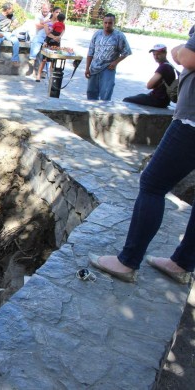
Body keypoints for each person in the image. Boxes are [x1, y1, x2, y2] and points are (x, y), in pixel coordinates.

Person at [89, 36, 195, 285]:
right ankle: (181, 263)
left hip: (191, 123)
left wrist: (179, 50)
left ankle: (127, 261)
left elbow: (187, 56)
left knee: (152, 184)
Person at [85, 13, 131, 101]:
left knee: (106, 94)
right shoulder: (97, 34)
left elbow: (126, 52)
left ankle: (104, 113)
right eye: (105, 23)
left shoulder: (119, 36)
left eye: (110, 23)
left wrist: (115, 62)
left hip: (108, 68)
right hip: (94, 68)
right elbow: (90, 52)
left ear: (114, 23)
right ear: (103, 22)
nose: (107, 25)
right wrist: (87, 68)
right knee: (91, 93)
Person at [122, 44, 177, 108]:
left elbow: (149, 85)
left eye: (158, 54)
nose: (156, 57)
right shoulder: (169, 65)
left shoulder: (164, 67)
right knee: (140, 96)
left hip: (158, 99)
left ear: (165, 53)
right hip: (165, 100)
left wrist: (155, 85)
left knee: (127, 100)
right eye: (154, 54)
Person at [35, 11, 65, 82]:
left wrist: (59, 37)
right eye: (57, 12)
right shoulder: (48, 23)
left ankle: (51, 77)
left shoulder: (61, 24)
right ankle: (38, 75)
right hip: (49, 41)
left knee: (53, 60)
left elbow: (63, 31)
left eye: (59, 12)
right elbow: (47, 33)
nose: (58, 13)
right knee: (44, 59)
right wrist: (55, 37)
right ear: (53, 13)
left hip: (56, 41)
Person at [0, 2, 20, 67]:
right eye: (11, 9)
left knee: (16, 41)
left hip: (7, 33)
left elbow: (16, 21)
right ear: (7, 9)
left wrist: (15, 23)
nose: (12, 10)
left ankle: (15, 60)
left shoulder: (11, 15)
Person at [28, 3, 51, 76]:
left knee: (47, 51)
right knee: (35, 41)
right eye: (43, 8)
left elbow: (52, 27)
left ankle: (44, 71)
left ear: (49, 9)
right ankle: (32, 58)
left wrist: (43, 23)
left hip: (48, 36)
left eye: (46, 9)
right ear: (41, 9)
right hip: (39, 35)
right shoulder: (38, 15)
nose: (45, 10)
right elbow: (38, 26)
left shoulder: (51, 16)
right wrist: (46, 24)